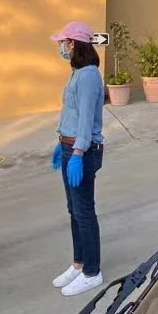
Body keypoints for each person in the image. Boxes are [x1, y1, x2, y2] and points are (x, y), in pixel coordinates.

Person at [49, 21, 105, 297]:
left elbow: (85, 118)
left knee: (84, 211)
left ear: (73, 44)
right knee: (74, 209)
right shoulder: (78, 73)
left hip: (82, 150)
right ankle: (79, 263)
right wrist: (62, 142)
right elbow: (70, 113)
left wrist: (79, 152)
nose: (61, 47)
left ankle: (92, 272)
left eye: (63, 42)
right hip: (69, 146)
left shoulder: (89, 76)